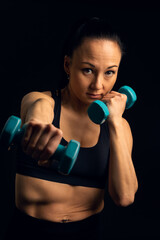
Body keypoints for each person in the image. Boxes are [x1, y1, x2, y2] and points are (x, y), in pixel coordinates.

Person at [5, 17, 138, 240]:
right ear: (68, 65)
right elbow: (37, 110)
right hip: (28, 232)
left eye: (109, 72)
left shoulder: (120, 126)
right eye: (88, 70)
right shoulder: (41, 100)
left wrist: (115, 122)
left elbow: (124, 197)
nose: (98, 85)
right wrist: (39, 128)